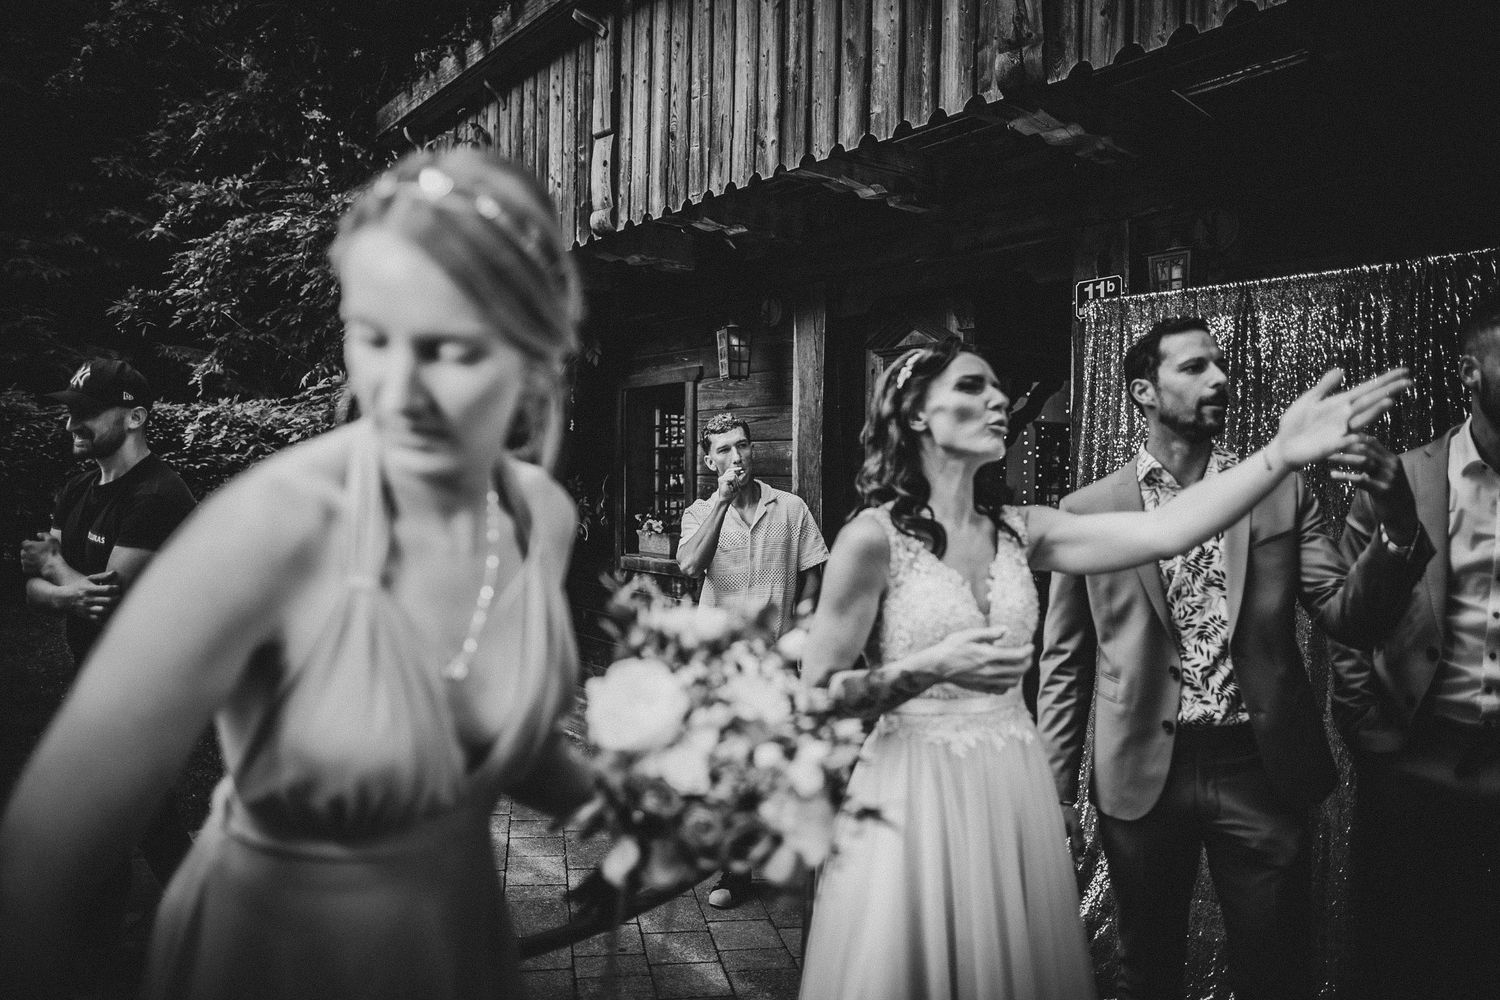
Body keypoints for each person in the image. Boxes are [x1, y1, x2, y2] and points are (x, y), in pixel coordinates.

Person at [0, 148, 596, 999]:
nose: (400, 391)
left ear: (535, 357)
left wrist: (649, 807)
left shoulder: (544, 516)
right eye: (373, 337)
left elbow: (489, 736)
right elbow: (37, 868)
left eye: (453, 350)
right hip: (276, 956)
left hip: (455, 940)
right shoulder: (269, 528)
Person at [796, 335, 1409, 1000]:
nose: (999, 398)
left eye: (997, 387)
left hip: (1012, 781)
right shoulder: (869, 539)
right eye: (973, 387)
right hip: (914, 783)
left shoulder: (1023, 528)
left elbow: (1165, 532)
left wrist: (1279, 454)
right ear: (916, 414)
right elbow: (818, 697)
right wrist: (925, 669)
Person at [1035, 317, 1427, 1000]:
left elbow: (1347, 617)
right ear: (1142, 392)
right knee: (1144, 969)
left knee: (1276, 969)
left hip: (1260, 765)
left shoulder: (1281, 493)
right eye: (1194, 367)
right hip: (1140, 770)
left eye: (1222, 365)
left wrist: (1396, 530)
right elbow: (1066, 664)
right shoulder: (1087, 509)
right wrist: (1052, 789)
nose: (1219, 378)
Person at [1328, 302, 1500, 1000]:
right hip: (1416, 770)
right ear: (1471, 370)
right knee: (1407, 965)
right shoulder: (1404, 480)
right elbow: (1348, 626)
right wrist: (1373, 739)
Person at [18, 357, 198, 989]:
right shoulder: (77, 489)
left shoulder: (160, 495)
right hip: (96, 673)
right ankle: (178, 930)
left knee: (125, 814)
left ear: (135, 417)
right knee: (138, 816)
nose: (72, 421)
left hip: (149, 683)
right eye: (70, 408)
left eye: (86, 411)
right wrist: (59, 585)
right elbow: (39, 584)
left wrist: (58, 577)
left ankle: (194, 933)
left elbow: (107, 597)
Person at [676, 411, 828, 907]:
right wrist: (721, 498)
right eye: (723, 449)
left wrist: (802, 631)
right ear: (708, 459)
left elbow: (813, 569)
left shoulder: (790, 507)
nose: (735, 456)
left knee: (781, 767)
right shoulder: (700, 513)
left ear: (752, 448)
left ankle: (786, 862)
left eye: (741, 445)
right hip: (723, 666)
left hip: (779, 664)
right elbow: (689, 565)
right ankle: (734, 872)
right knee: (729, 771)